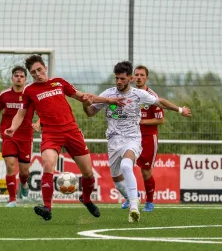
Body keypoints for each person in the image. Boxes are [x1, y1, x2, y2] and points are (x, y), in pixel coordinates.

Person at [4, 54, 124, 221]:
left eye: (39, 70)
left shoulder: (59, 82)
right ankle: (47, 207)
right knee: (48, 164)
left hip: (72, 132)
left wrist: (109, 99)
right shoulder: (29, 90)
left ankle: (86, 199)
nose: (38, 74)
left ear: (45, 68)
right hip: (51, 134)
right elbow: (21, 113)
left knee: (88, 173)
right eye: (33, 73)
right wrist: (12, 128)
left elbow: (83, 96)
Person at [82, 61, 191, 223]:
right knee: (118, 184)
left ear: (130, 79)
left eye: (122, 79)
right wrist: (85, 104)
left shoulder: (138, 95)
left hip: (132, 139)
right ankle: (134, 197)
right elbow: (90, 112)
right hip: (113, 142)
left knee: (127, 165)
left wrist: (180, 110)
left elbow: (159, 101)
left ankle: (134, 208)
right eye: (117, 78)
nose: (119, 82)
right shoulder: (108, 94)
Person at [119, 64, 181, 212]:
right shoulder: (127, 94)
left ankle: (150, 202)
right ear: (132, 78)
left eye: (142, 75)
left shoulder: (151, 97)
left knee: (146, 171)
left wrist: (141, 121)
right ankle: (131, 197)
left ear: (146, 78)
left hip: (147, 138)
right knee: (124, 167)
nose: (139, 78)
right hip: (130, 136)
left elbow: (160, 120)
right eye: (137, 75)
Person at [0, 66, 40, 207]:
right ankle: (12, 199)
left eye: (21, 76)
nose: (18, 78)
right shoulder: (4, 95)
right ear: (12, 78)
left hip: (25, 137)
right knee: (10, 165)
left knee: (24, 172)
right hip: (8, 135)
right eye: (16, 75)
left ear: (25, 79)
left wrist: (38, 123)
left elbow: (43, 110)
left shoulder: (31, 94)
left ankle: (23, 183)